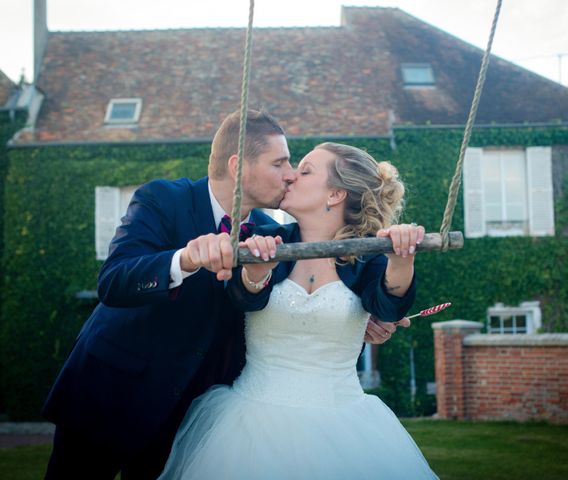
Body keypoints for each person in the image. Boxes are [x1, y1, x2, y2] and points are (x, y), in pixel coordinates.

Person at [41, 110, 403, 480]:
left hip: (190, 415)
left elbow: (291, 311)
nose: (291, 173)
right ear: (238, 166)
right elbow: (113, 282)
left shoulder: (271, 237)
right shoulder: (163, 199)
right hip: (111, 394)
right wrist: (183, 260)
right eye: (279, 163)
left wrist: (360, 318)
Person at [159, 143, 439, 479]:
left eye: (305, 171)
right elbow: (242, 300)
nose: (290, 176)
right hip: (248, 422)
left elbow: (387, 305)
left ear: (334, 194)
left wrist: (401, 257)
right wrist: (255, 275)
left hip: (344, 420)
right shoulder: (265, 238)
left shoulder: (369, 255)